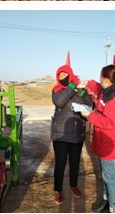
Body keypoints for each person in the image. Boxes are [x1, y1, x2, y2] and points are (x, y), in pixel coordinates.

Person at [81, 65, 115, 213]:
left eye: (102, 78)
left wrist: (89, 115)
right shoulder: (107, 91)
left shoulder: (114, 99)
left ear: (108, 80)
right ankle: (107, 200)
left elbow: (109, 122)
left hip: (109, 143)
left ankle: (113, 207)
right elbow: (97, 89)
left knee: (110, 177)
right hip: (103, 140)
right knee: (105, 175)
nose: (100, 80)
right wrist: (87, 84)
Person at [51, 63, 93, 204]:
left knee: (75, 162)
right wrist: (71, 87)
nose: (62, 77)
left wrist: (81, 92)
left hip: (77, 133)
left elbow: (90, 104)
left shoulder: (79, 90)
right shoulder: (57, 90)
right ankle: (58, 189)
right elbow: (60, 102)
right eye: (60, 75)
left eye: (65, 75)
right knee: (61, 163)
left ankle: (73, 185)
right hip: (61, 133)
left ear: (70, 74)